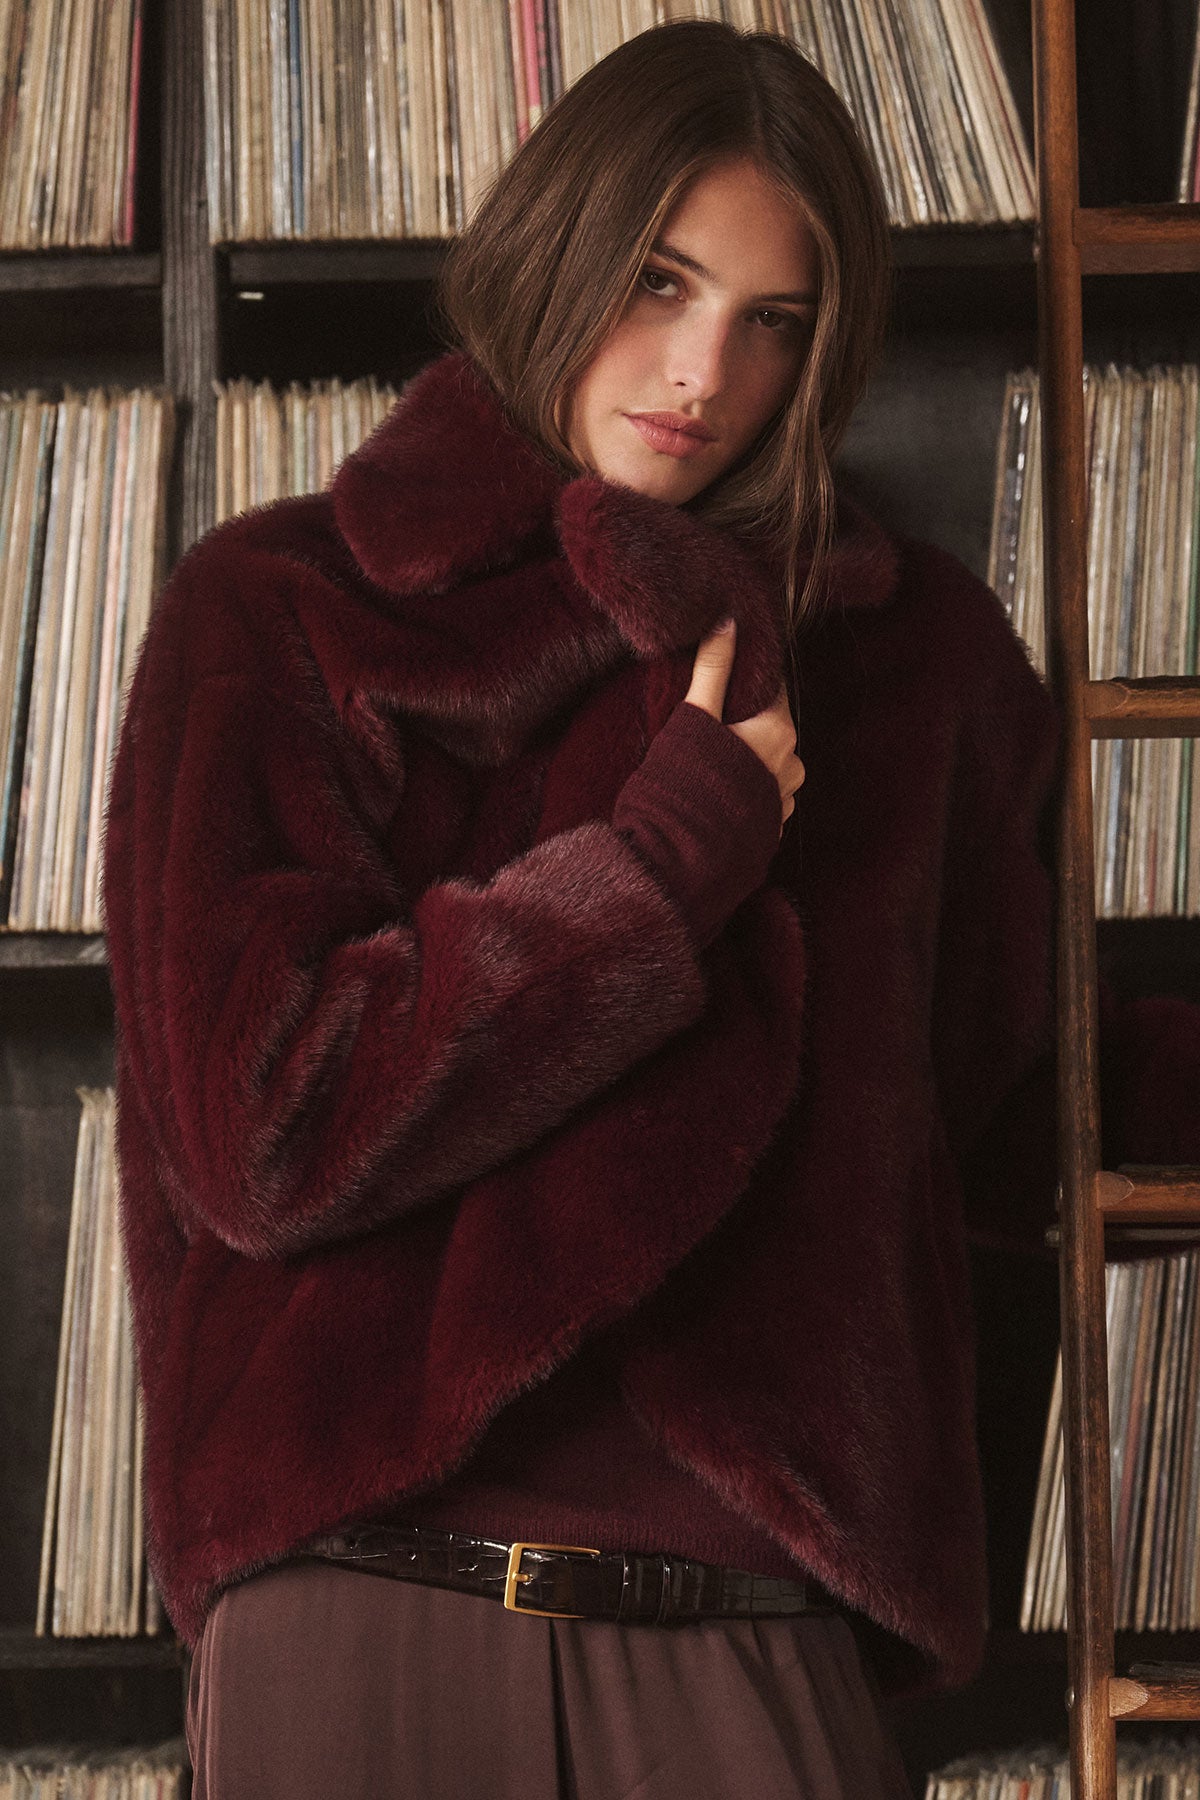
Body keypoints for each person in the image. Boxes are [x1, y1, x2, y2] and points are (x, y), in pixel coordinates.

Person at [99, 16, 1200, 1799]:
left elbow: (1011, 1118)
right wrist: (663, 867)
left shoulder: (914, 666)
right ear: (561, 244)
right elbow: (265, 1124)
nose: (703, 368)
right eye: (662, 279)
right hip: (361, 1608)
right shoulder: (282, 611)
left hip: (743, 1628)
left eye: (774, 320)